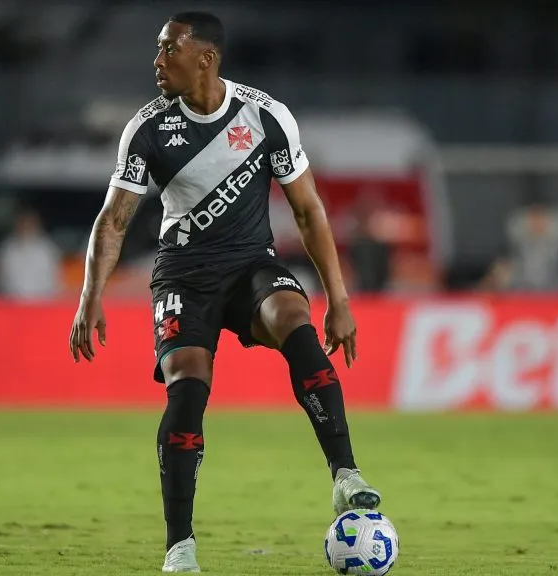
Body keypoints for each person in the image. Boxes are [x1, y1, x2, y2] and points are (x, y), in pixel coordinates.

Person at [68, 12, 381, 573]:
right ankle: (180, 546)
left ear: (206, 58)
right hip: (183, 277)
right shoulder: (147, 128)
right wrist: (91, 296)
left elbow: (308, 210)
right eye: (158, 48)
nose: (157, 61)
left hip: (250, 265)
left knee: (294, 318)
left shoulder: (265, 116)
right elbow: (113, 219)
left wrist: (339, 299)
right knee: (188, 388)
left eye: (169, 49)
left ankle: (345, 474)